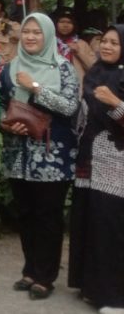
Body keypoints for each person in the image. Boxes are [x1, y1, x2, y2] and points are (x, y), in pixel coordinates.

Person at [0, 12, 80, 301]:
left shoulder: (63, 68)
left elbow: (70, 107)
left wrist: (35, 87)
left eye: (37, 32)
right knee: (26, 215)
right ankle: (30, 270)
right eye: (27, 32)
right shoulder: (8, 69)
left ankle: (45, 276)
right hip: (18, 155)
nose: (31, 37)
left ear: (48, 36)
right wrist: (7, 123)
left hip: (52, 158)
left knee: (48, 216)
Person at [69, 24, 124, 312]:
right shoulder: (95, 73)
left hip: (116, 163)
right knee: (88, 223)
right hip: (88, 160)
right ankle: (91, 287)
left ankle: (114, 296)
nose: (107, 47)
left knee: (110, 226)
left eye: (115, 43)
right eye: (105, 41)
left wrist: (115, 103)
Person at [55, 8, 96, 85]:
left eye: (69, 22)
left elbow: (94, 68)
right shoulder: (50, 43)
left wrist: (79, 52)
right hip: (54, 85)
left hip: (76, 88)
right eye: (62, 22)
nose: (65, 25)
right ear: (56, 24)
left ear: (74, 25)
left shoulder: (82, 44)